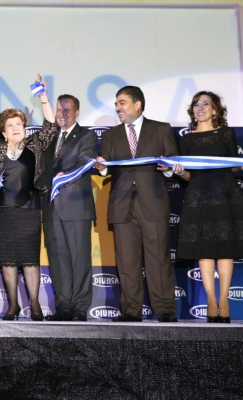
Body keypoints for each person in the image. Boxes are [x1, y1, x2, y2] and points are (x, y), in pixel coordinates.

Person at [94, 85, 179, 323]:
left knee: (158, 259)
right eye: (116, 104)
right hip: (122, 205)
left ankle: (164, 309)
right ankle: (131, 311)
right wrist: (101, 168)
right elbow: (106, 167)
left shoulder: (161, 129)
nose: (117, 107)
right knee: (127, 261)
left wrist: (170, 169)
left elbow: (172, 162)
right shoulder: (111, 135)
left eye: (122, 102)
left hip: (152, 203)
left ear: (137, 104)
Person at [174, 91, 243, 323]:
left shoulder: (226, 134)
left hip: (225, 195)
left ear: (215, 110)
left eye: (206, 104)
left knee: (225, 250)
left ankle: (224, 301)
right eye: (196, 104)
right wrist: (179, 171)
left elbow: (235, 166)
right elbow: (188, 175)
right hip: (198, 197)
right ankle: (211, 302)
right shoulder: (186, 139)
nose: (200, 108)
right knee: (203, 250)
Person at [0, 108, 54, 321]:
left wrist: (43, 99)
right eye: (10, 125)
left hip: (28, 209)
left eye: (18, 124)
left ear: (24, 127)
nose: (15, 128)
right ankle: (13, 305)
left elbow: (50, 127)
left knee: (31, 260)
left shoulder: (34, 144)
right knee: (8, 261)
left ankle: (35, 304)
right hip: (2, 212)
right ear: (3, 132)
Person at [35, 76, 97, 322]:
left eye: (66, 109)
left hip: (76, 207)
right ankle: (64, 307)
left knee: (79, 258)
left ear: (77, 112)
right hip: (51, 208)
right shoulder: (50, 136)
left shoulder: (86, 136)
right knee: (58, 260)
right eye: (59, 109)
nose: (62, 114)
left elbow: (84, 163)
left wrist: (63, 176)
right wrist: (43, 97)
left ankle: (81, 307)